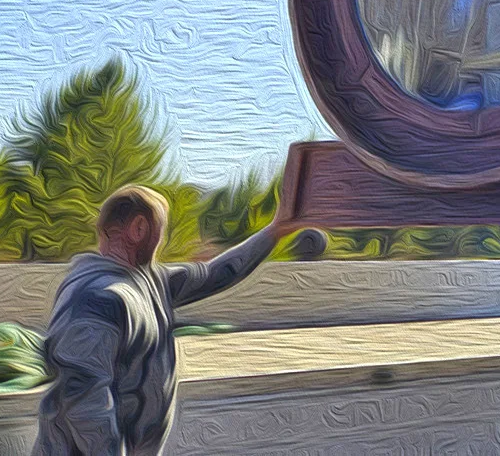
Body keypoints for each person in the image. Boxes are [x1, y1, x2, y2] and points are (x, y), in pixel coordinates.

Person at [32, 184, 318, 456]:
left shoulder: (150, 281)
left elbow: (217, 273)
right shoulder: (96, 296)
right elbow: (84, 396)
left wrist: (276, 230)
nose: (161, 239)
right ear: (139, 228)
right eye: (161, 228)